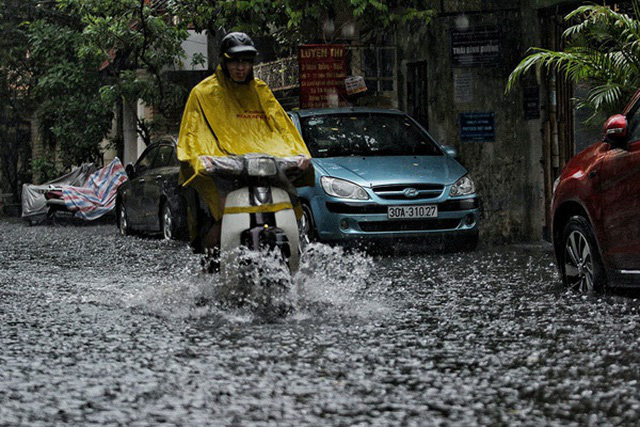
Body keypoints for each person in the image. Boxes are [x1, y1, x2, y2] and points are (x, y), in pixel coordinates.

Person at [176, 32, 312, 256]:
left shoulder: (261, 91)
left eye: (246, 62)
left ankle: (298, 252)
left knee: (290, 204)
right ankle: (212, 264)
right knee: (218, 213)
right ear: (225, 61)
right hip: (222, 171)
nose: (241, 68)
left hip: (265, 168)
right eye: (235, 61)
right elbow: (192, 135)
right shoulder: (203, 93)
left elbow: (282, 127)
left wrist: (299, 154)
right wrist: (202, 159)